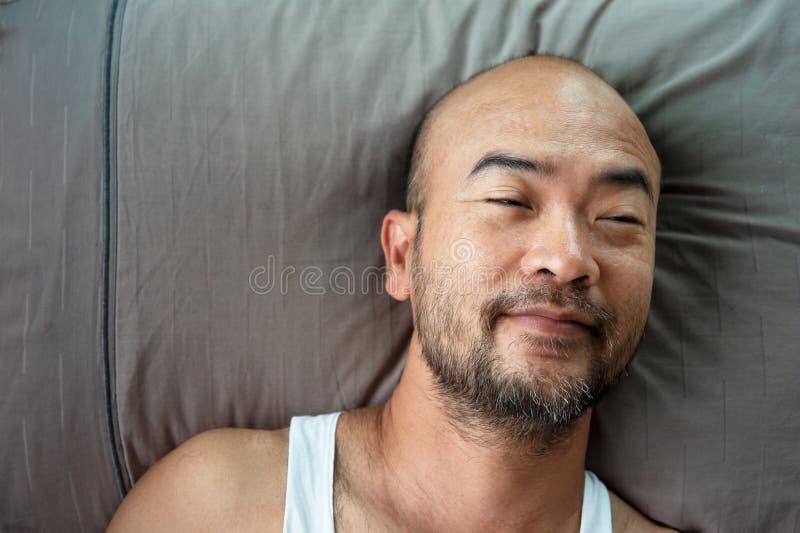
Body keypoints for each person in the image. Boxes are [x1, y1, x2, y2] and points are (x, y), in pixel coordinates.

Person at [108, 54, 676, 532]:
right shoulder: (214, 509)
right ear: (403, 257)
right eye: (510, 201)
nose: (569, 258)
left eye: (619, 218)